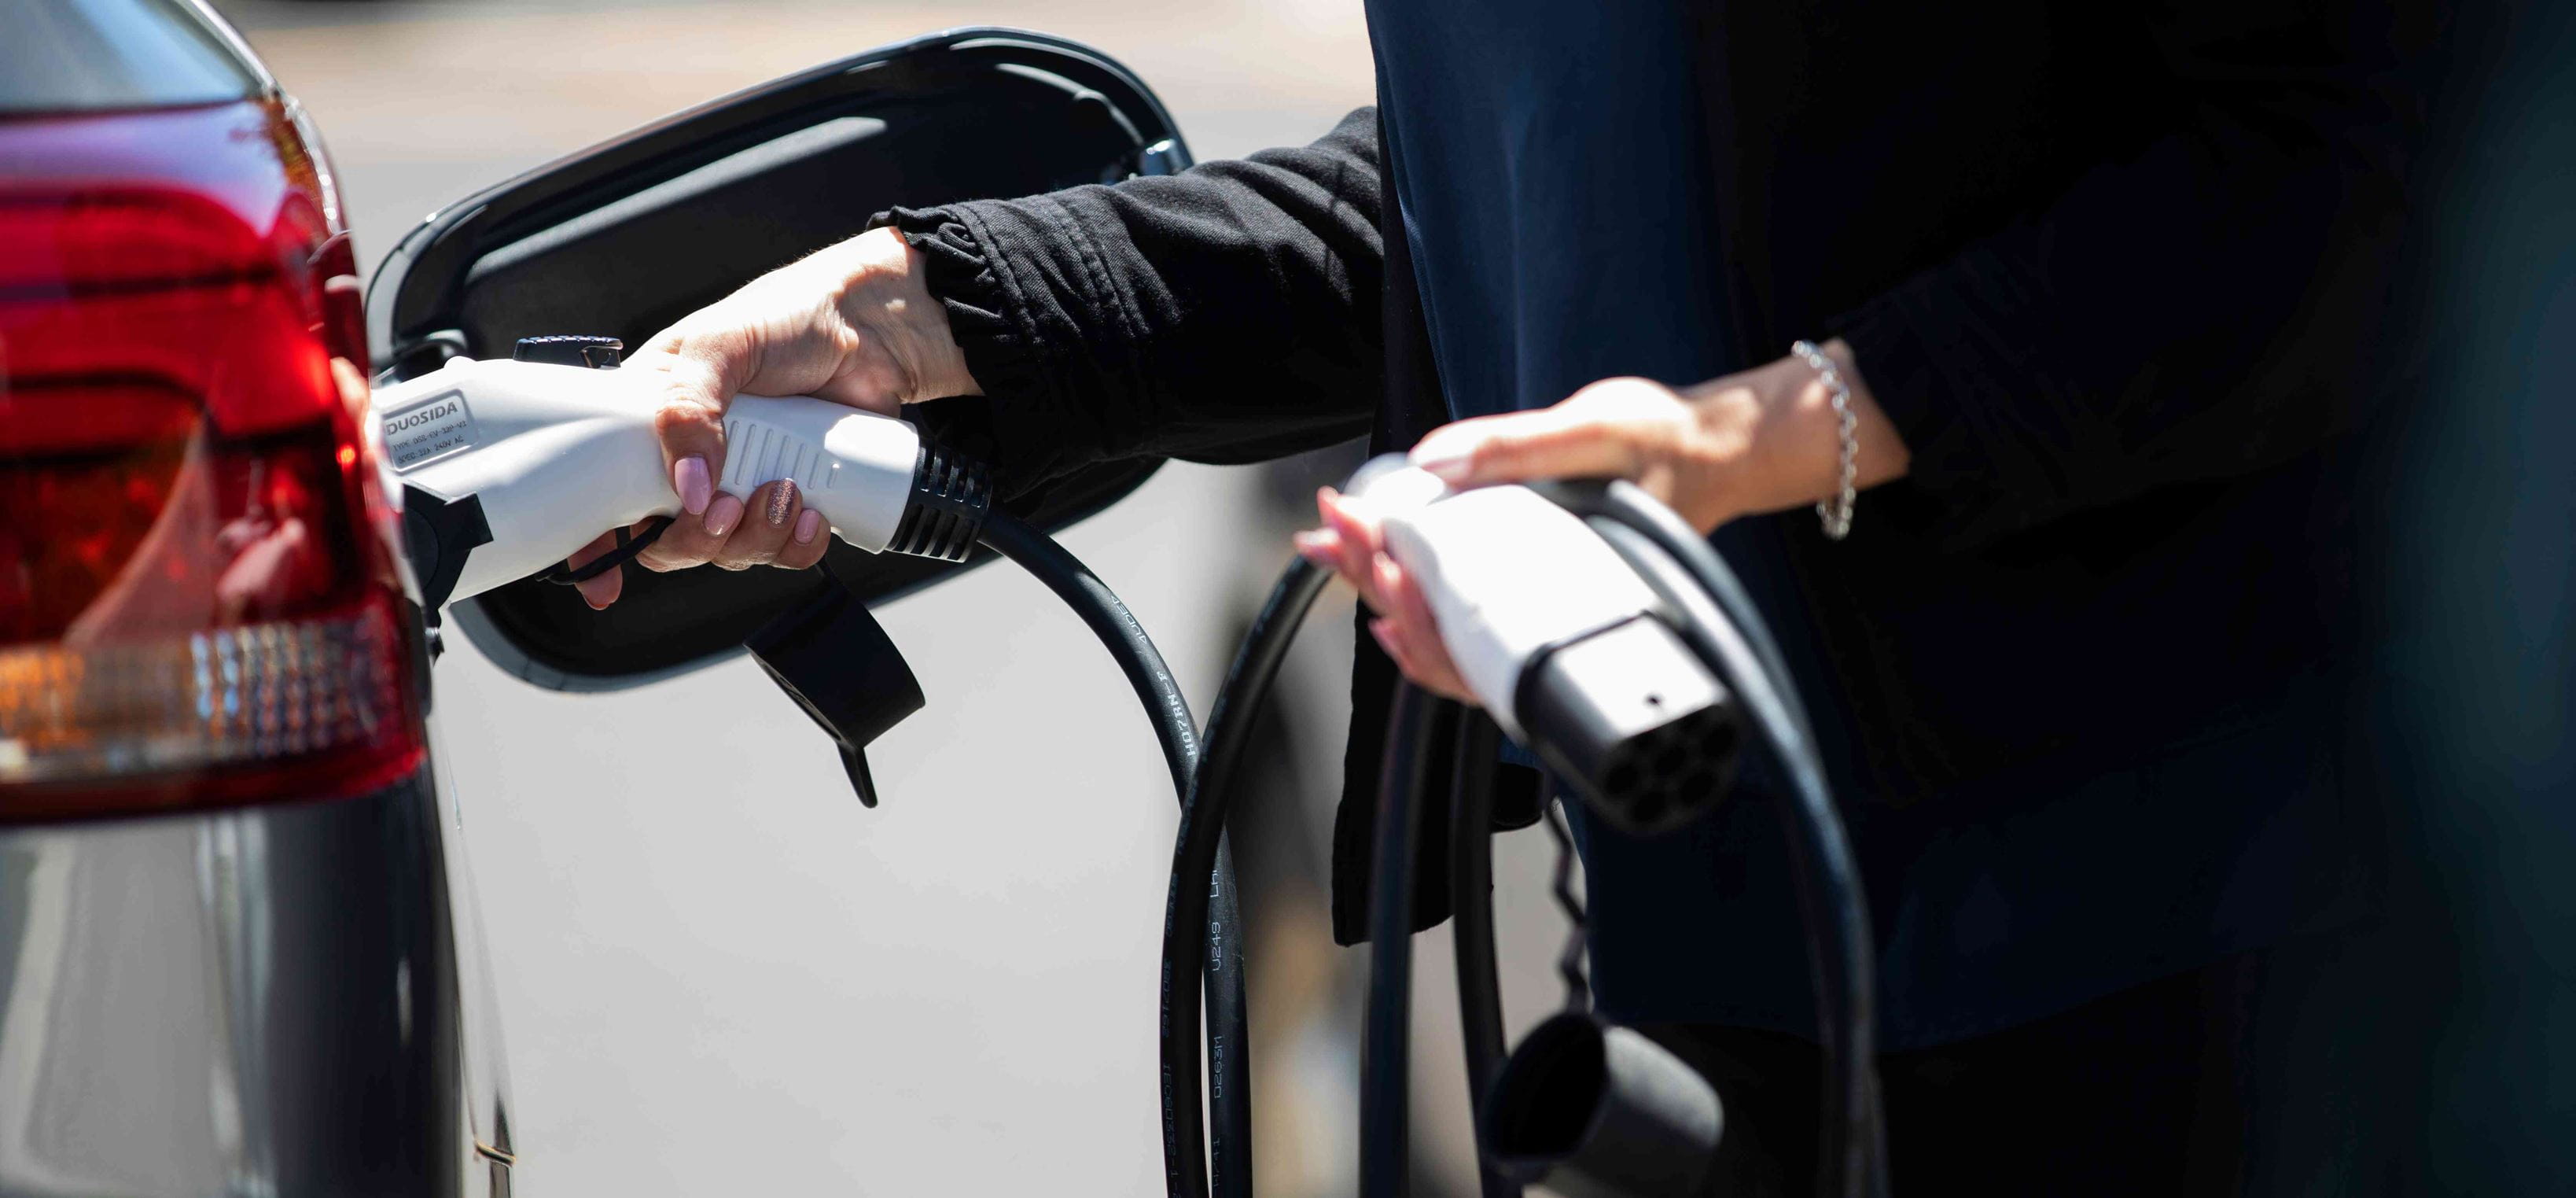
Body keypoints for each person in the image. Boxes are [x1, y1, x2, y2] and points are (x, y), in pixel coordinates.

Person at [569, 3, 2439, 1191]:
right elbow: (1510, 202)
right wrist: (912, 313)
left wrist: (1776, 432)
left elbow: (2355, 174)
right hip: (1722, 962)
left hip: (2212, 956)